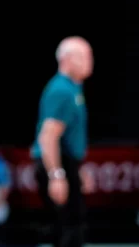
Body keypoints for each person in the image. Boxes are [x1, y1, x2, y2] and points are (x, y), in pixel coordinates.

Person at [32, 36, 94, 247]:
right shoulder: (62, 90)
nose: (89, 60)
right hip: (57, 166)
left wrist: (77, 169)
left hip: (67, 164)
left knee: (73, 226)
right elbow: (48, 136)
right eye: (84, 56)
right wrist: (57, 175)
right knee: (68, 231)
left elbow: (68, 138)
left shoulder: (73, 88)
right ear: (67, 59)